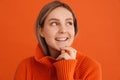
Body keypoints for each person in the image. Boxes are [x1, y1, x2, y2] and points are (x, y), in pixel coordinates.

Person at [14, 1, 102, 80]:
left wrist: (65, 71)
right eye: (54, 23)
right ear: (41, 31)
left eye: (69, 23)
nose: (63, 30)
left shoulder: (90, 68)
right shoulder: (26, 67)